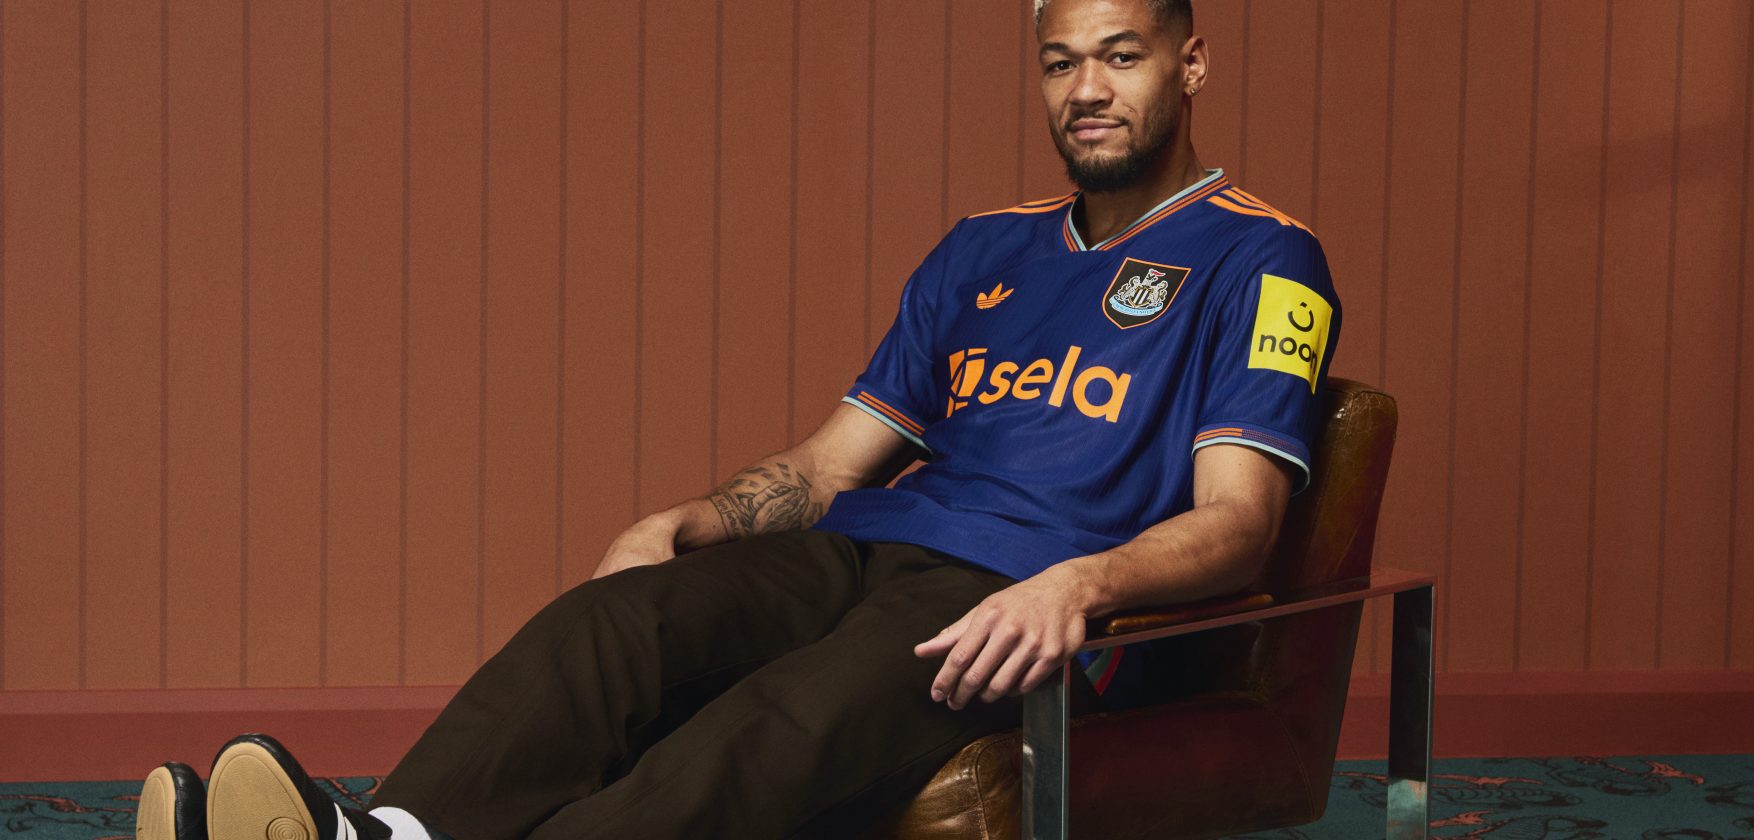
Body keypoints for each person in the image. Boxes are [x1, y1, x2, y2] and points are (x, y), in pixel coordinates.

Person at [133, 0, 1341, 837]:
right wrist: (689, 521)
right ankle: (386, 833)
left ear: (1189, 64)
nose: (1086, 91)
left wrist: (1075, 589)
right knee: (618, 623)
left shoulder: (1263, 259)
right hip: (864, 549)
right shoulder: (985, 247)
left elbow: (1240, 523)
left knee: (780, 721)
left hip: (1018, 602)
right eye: (1060, 63)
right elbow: (832, 462)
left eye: (1121, 57)